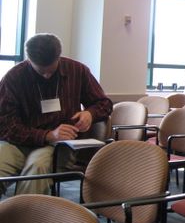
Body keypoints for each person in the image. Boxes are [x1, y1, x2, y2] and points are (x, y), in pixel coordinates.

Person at [0, 33, 113, 195]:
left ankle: (25, 211)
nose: (47, 75)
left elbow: (104, 103)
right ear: (29, 60)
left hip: (59, 145)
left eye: (51, 70)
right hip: (18, 142)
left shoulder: (77, 70)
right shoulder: (14, 78)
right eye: (41, 71)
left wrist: (90, 114)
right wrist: (47, 135)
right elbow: (5, 126)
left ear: (58, 57)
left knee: (37, 168)